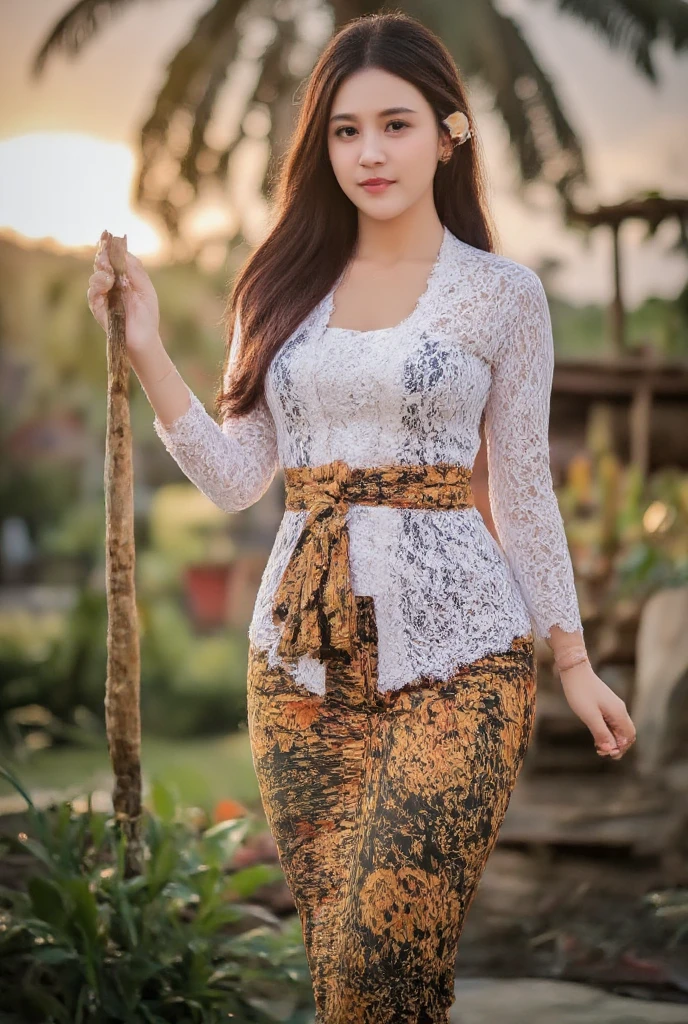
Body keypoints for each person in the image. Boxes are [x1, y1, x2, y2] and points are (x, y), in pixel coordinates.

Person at [88, 11, 636, 1022]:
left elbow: (519, 485)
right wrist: (147, 348)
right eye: (345, 130)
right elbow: (235, 476)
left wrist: (570, 658)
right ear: (320, 143)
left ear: (448, 133)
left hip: (464, 660)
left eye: (395, 124)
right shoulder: (279, 290)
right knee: (356, 975)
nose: (369, 152)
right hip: (298, 667)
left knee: (382, 956)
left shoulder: (501, 296)